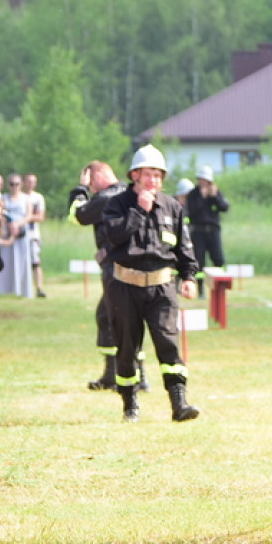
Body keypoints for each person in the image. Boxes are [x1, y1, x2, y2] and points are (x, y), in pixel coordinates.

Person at [102, 145, 200, 423]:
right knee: (127, 347)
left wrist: (189, 276)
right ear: (134, 175)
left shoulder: (172, 207)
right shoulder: (117, 204)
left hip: (162, 287)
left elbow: (184, 246)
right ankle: (130, 405)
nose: (152, 180)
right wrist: (139, 211)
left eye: (157, 175)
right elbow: (113, 236)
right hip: (125, 285)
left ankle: (179, 403)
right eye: (147, 174)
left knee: (168, 343)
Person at [68, 161, 149, 393]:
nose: (91, 188)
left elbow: (78, 216)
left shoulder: (106, 197)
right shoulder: (127, 193)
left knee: (112, 317)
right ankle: (116, 374)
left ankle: (128, 376)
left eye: (91, 183)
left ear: (99, 176)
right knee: (114, 316)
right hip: (132, 264)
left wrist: (80, 189)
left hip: (116, 266)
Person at [185, 165, 229, 297]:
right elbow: (192, 210)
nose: (203, 182)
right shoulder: (193, 194)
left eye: (205, 180)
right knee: (199, 261)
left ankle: (220, 287)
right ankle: (200, 289)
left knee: (218, 259)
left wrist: (214, 197)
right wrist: (202, 197)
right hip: (198, 232)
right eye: (201, 179)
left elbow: (224, 207)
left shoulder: (215, 192)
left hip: (213, 231)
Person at [0, 174, 33, 297]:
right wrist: (7, 226)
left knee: (22, 260)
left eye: (17, 184)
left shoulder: (26, 198)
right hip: (7, 232)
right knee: (6, 259)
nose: (14, 187)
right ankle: (4, 288)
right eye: (12, 184)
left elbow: (28, 216)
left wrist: (17, 224)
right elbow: (0, 213)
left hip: (21, 231)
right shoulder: (4, 198)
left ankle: (22, 289)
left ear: (21, 185)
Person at [22, 173, 46, 297]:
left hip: (33, 234)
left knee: (35, 262)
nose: (31, 184)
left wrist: (25, 218)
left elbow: (40, 216)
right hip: (20, 234)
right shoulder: (20, 197)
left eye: (33, 182)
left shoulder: (38, 198)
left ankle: (39, 287)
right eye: (29, 181)